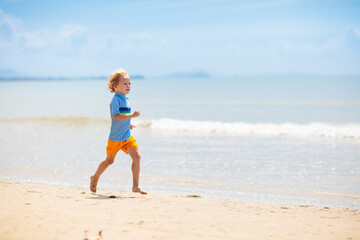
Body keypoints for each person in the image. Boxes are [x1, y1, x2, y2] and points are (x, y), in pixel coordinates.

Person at [90, 68, 147, 195]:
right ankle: (95, 177)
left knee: (137, 156)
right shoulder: (115, 99)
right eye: (125, 83)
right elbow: (116, 116)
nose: (128, 86)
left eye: (129, 83)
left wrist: (128, 123)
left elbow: (123, 116)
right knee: (109, 161)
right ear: (115, 86)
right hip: (115, 138)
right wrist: (132, 115)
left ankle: (135, 186)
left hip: (126, 136)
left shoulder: (127, 99)